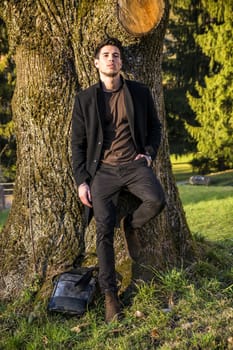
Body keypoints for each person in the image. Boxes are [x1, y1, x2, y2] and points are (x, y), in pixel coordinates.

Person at [71, 37, 165, 323]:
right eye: (106, 55)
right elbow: (77, 143)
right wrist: (82, 180)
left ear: (121, 62)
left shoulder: (138, 92)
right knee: (103, 231)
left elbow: (154, 128)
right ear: (97, 63)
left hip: (134, 165)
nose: (111, 59)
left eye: (116, 55)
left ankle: (131, 224)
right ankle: (110, 294)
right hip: (103, 172)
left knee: (157, 200)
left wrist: (148, 154)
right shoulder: (85, 99)